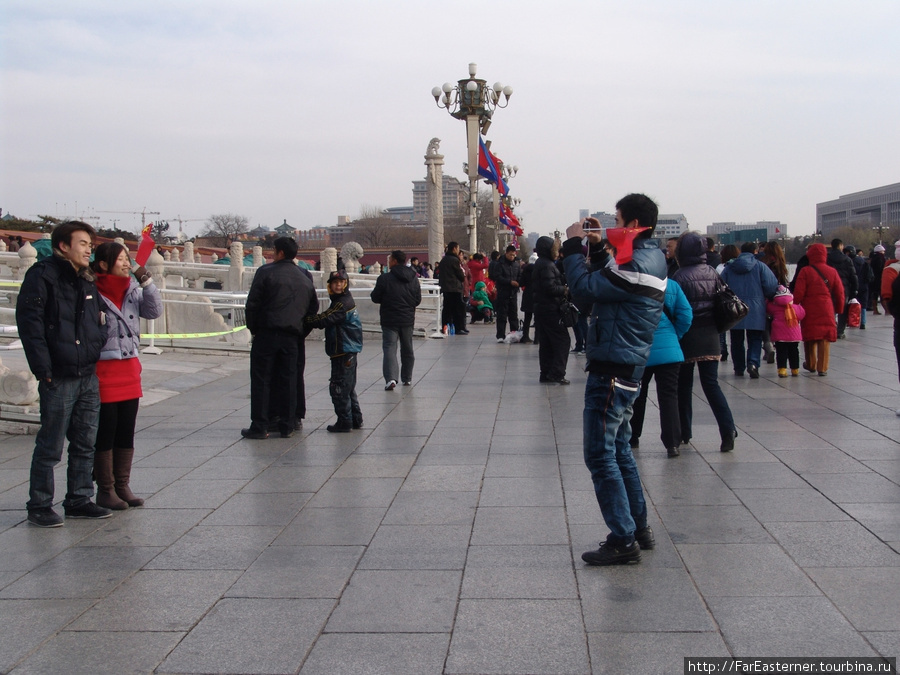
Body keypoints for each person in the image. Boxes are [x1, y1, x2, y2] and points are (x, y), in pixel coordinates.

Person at [562, 193, 667, 566]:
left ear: (635, 226)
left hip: (612, 368)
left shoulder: (637, 262)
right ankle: (637, 528)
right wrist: (600, 251)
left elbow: (586, 288)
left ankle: (623, 538)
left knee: (600, 454)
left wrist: (573, 247)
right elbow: (615, 277)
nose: (613, 225)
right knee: (619, 450)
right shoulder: (649, 257)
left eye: (619, 220)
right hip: (627, 365)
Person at [16, 221, 111, 527]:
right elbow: (31, 325)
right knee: (51, 444)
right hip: (57, 374)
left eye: (90, 244)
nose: (88, 249)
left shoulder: (86, 278)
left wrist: (96, 345)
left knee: (86, 441)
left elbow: (99, 319)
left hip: (87, 373)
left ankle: (79, 498)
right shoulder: (42, 276)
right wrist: (43, 368)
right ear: (62, 246)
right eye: (83, 243)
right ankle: (40, 504)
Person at [88, 243, 162, 509]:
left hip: (129, 367)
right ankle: (105, 489)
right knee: (106, 429)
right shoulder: (91, 289)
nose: (126, 263)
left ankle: (123, 485)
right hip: (104, 369)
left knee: (126, 430)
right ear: (104, 263)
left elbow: (153, 312)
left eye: (127, 258)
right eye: (120, 259)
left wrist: (147, 282)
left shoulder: (132, 288)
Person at [241, 237, 318, 439]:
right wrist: (301, 331)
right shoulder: (304, 275)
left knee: (262, 379)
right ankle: (287, 424)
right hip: (292, 336)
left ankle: (260, 425)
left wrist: (254, 328)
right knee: (290, 379)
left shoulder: (265, 272)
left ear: (280, 252)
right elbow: (313, 309)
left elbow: (253, 305)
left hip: (267, 333)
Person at [671, 232, 739, 452]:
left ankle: (684, 431)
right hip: (711, 335)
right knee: (711, 385)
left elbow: (675, 309)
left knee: (684, 385)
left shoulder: (678, 276)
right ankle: (727, 430)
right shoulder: (711, 272)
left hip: (687, 336)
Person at [629, 277, 692, 457]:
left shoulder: (632, 283)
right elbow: (686, 315)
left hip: (641, 349)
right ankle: (672, 443)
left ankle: (633, 436)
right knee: (669, 396)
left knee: (637, 393)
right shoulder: (671, 285)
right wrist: (674, 336)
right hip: (669, 351)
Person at [305, 270, 363, 432]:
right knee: (348, 387)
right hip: (348, 349)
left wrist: (305, 319)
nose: (338, 285)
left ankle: (345, 421)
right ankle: (355, 419)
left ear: (346, 284)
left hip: (343, 349)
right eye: (335, 283)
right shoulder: (343, 301)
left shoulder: (341, 304)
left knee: (338, 387)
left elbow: (325, 319)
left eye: (341, 282)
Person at [720, 241, 778, 378]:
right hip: (756, 307)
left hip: (735, 308)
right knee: (755, 338)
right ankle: (753, 364)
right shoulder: (761, 267)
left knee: (736, 339)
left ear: (741, 252)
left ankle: (739, 367)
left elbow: (721, 287)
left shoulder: (729, 267)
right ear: (755, 252)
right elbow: (771, 286)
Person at [371, 249, 421, 390]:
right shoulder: (413, 278)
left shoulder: (384, 278)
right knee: (407, 348)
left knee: (390, 348)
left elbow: (375, 297)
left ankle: (391, 378)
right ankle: (407, 378)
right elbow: (417, 300)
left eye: (389, 259)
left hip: (389, 319)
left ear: (393, 261)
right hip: (407, 319)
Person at [793, 243, 844, 376]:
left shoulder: (805, 271)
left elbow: (798, 293)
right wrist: (839, 308)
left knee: (810, 336)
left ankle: (811, 364)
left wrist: (795, 306)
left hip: (809, 307)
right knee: (824, 338)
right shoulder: (832, 271)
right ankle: (823, 367)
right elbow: (839, 292)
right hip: (826, 307)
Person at [532, 236, 570, 383]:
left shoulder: (541, 263)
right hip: (550, 308)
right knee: (563, 340)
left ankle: (546, 372)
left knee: (547, 342)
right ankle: (557, 372)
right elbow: (550, 288)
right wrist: (564, 289)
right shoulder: (547, 265)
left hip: (542, 308)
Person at [766, 285, 806, 377]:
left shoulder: (774, 307)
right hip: (794, 336)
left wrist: (769, 300)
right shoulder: (795, 307)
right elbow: (802, 314)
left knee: (781, 352)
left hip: (780, 336)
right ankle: (795, 369)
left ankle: (782, 370)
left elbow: (767, 307)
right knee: (794, 352)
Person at [826, 238, 858, 339]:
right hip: (844, 289)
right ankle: (840, 332)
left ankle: (830, 330)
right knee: (843, 311)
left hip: (829, 288)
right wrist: (854, 289)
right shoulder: (847, 259)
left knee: (830, 310)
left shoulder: (827, 258)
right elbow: (853, 276)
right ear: (840, 246)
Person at [493, 244, 521, 342]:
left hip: (513, 293)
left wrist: (518, 282)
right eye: (510, 255)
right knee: (502, 315)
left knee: (513, 315)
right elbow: (498, 277)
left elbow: (519, 276)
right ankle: (500, 335)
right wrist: (509, 282)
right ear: (506, 254)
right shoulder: (500, 264)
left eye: (513, 255)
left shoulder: (516, 265)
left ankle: (514, 334)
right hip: (503, 292)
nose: (512, 257)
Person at [438, 242, 468, 335]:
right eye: (458, 248)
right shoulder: (455, 260)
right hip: (454, 288)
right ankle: (458, 328)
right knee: (457, 309)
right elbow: (460, 275)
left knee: (447, 309)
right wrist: (462, 276)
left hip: (446, 287)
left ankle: (445, 327)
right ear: (454, 248)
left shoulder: (444, 260)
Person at [846, 246, 873, 329]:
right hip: (864, 285)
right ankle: (863, 322)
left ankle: (852, 320)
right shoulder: (864, 262)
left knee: (851, 303)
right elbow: (870, 275)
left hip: (854, 285)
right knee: (864, 304)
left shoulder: (850, 262)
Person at [519, 252, 537, 344]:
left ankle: (525, 336)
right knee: (537, 318)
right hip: (537, 294)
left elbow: (521, 283)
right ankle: (537, 338)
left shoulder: (525, 270)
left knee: (527, 318)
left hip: (527, 295)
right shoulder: (539, 270)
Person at [869, 244, 886, 314]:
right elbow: (881, 268)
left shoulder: (872, 258)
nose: (884, 252)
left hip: (873, 279)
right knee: (882, 294)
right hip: (880, 279)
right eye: (883, 251)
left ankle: (875, 310)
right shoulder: (880, 258)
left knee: (874, 295)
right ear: (880, 251)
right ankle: (887, 310)